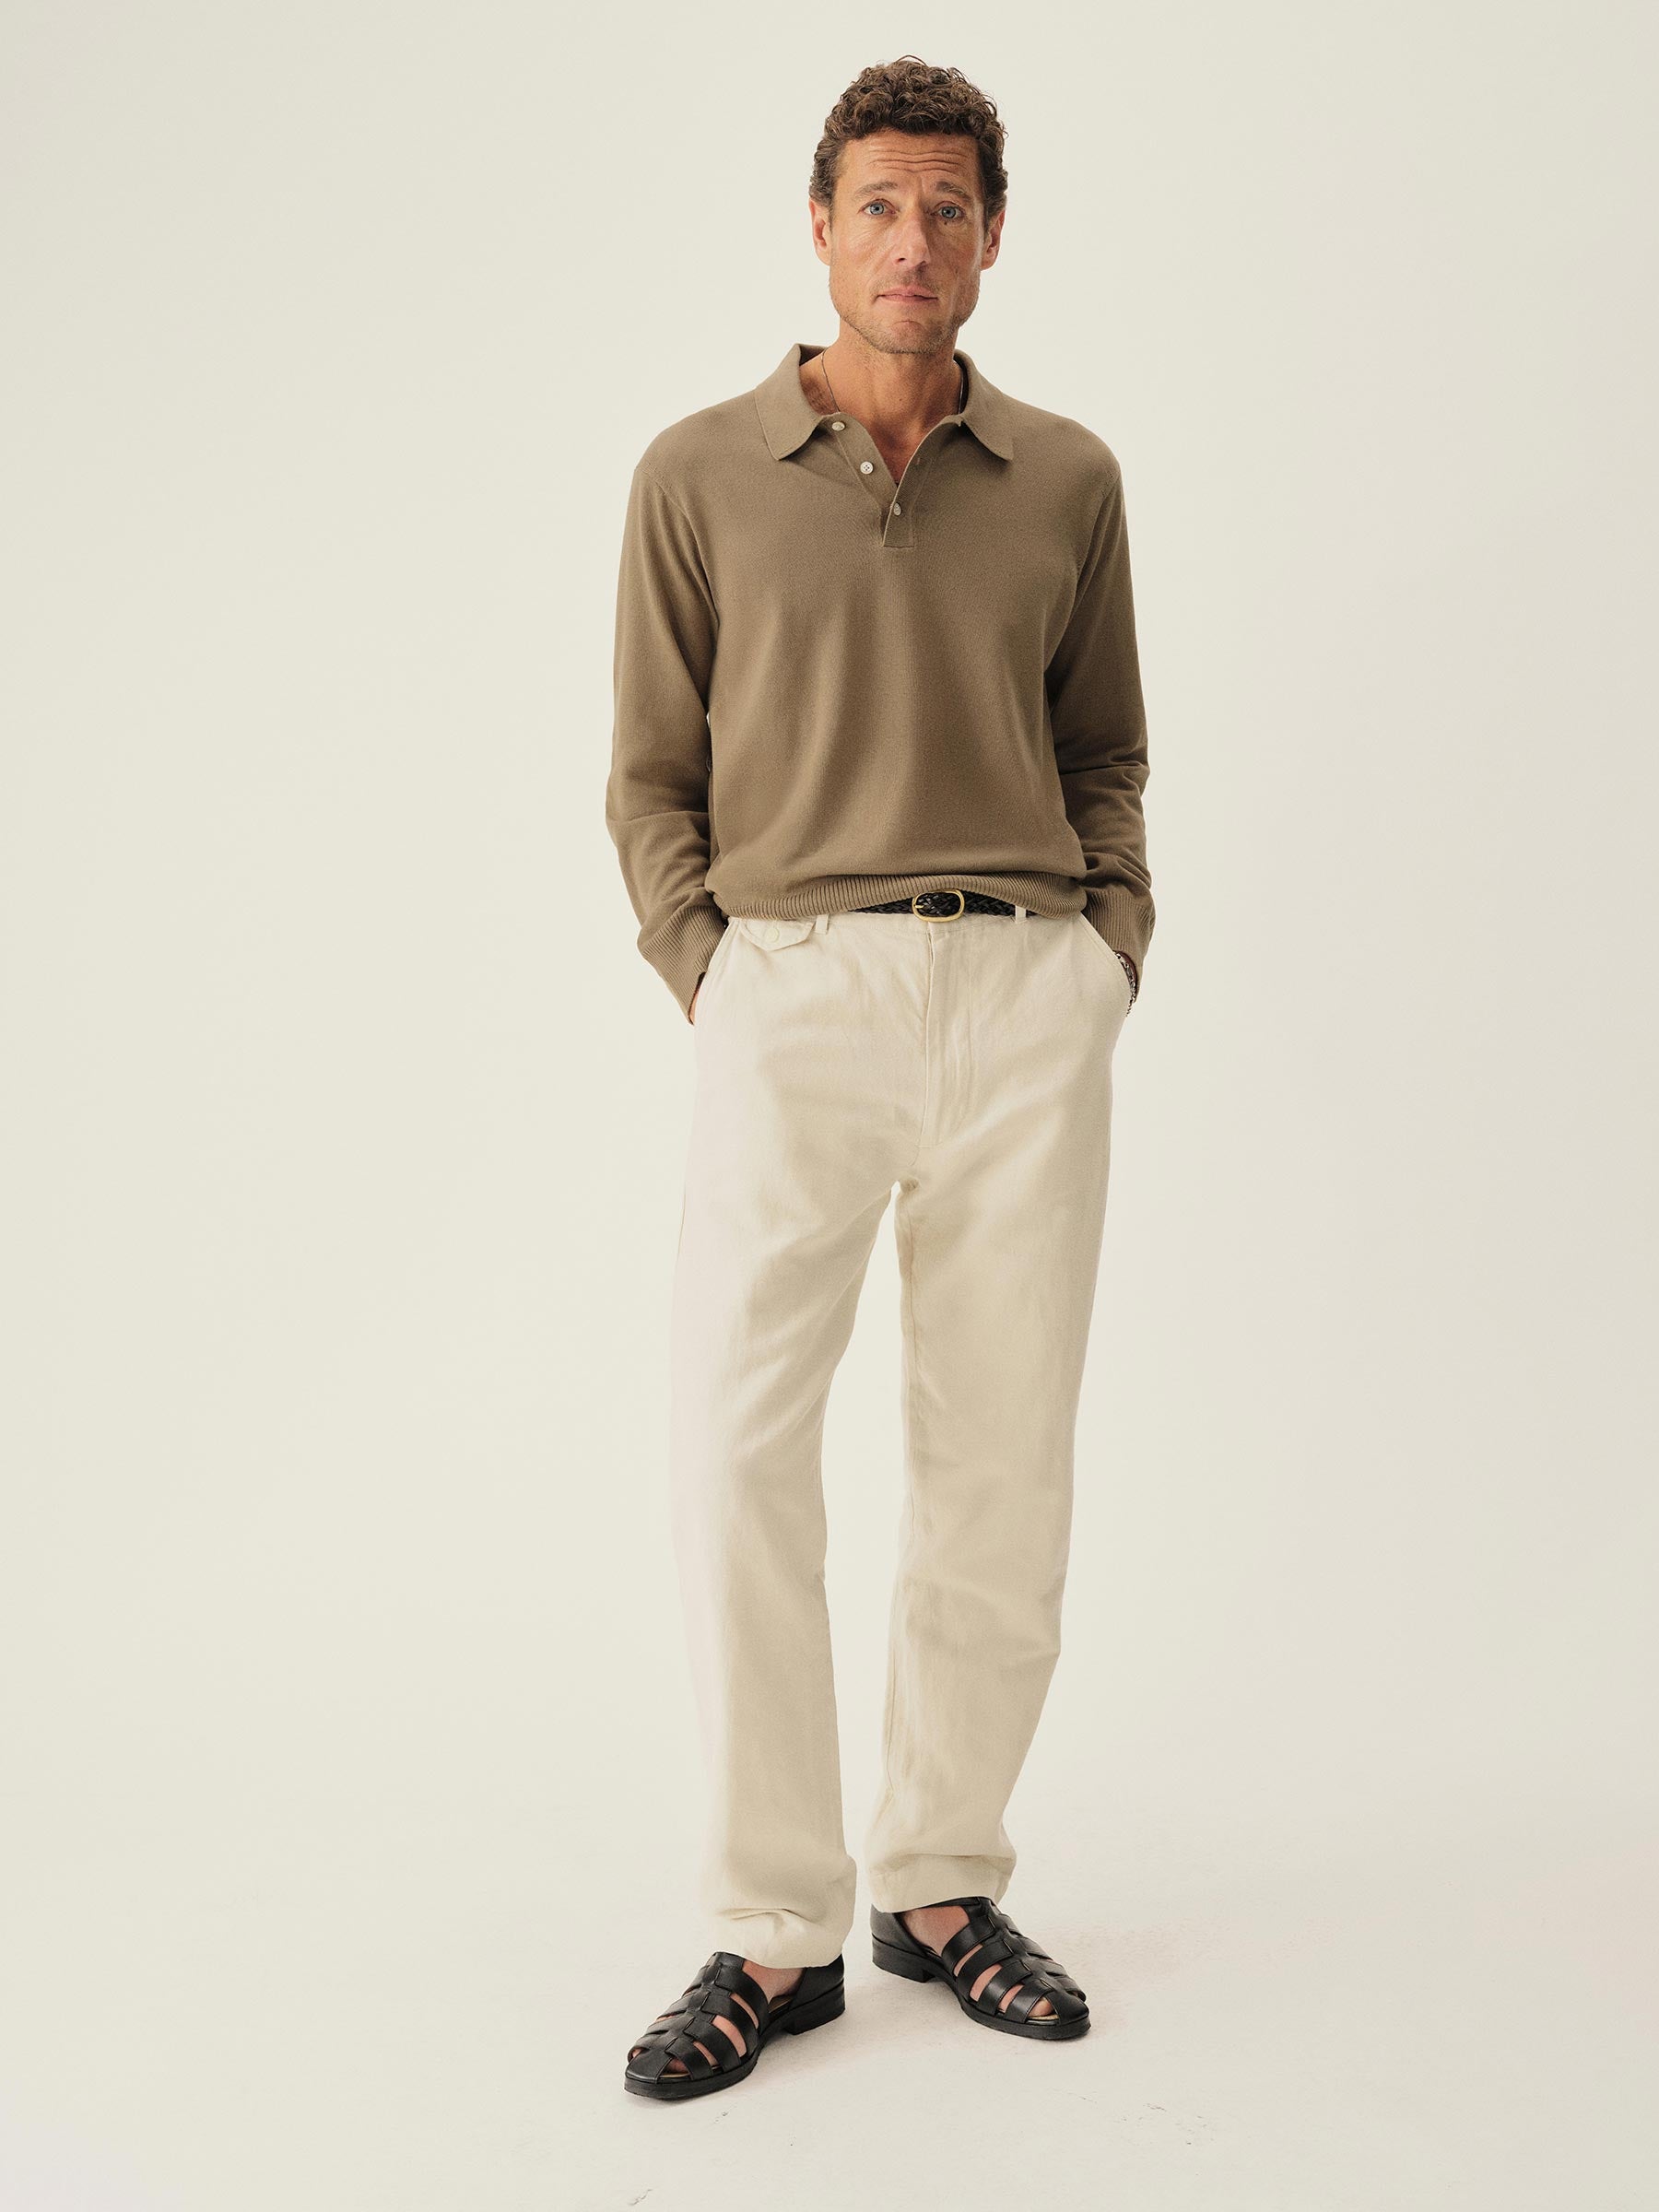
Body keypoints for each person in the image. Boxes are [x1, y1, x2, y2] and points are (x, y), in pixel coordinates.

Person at [606, 54, 1154, 2100]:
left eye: (947, 206)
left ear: (994, 234)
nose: (911, 241)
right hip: (797, 991)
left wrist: (1104, 954)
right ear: (821, 230)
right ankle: (774, 1924)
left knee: (1002, 1458)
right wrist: (714, 970)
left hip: (1023, 993)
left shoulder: (1069, 478)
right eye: (877, 205)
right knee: (738, 1450)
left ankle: (940, 1882)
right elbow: (650, 769)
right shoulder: (700, 473)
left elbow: (1106, 749)